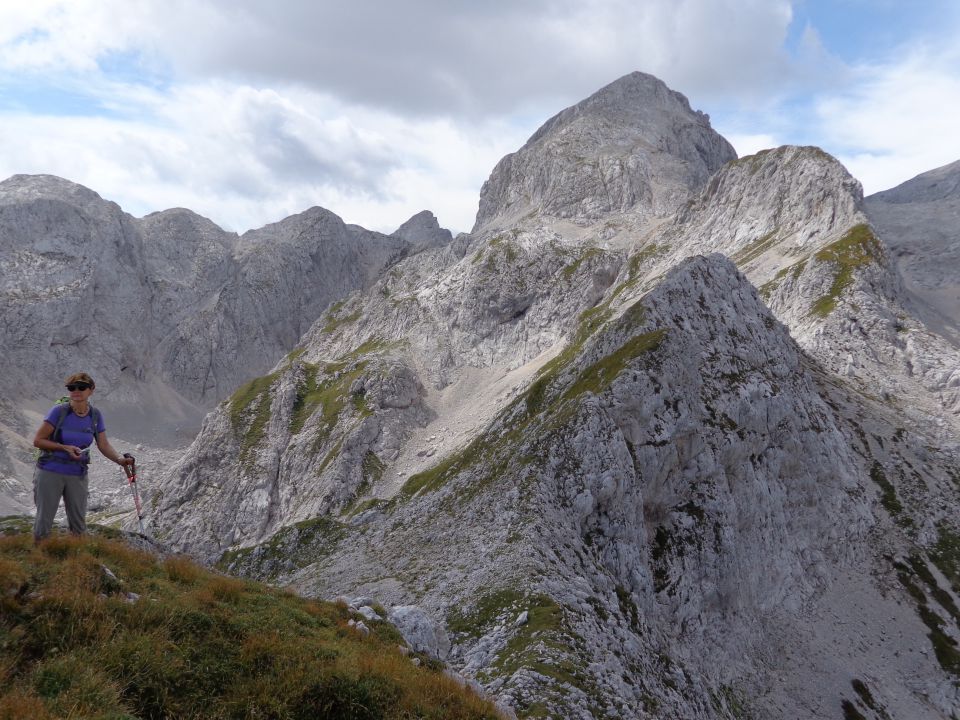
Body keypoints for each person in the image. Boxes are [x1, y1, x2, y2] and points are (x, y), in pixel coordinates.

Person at [31, 372, 133, 544]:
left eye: (81, 387)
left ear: (91, 390)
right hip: (50, 471)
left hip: (77, 474)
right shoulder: (59, 412)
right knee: (44, 522)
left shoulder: (95, 416)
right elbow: (38, 440)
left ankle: (77, 563)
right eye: (72, 388)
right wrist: (64, 447)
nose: (76, 391)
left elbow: (103, 444)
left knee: (78, 525)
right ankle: (40, 562)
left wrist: (119, 460)